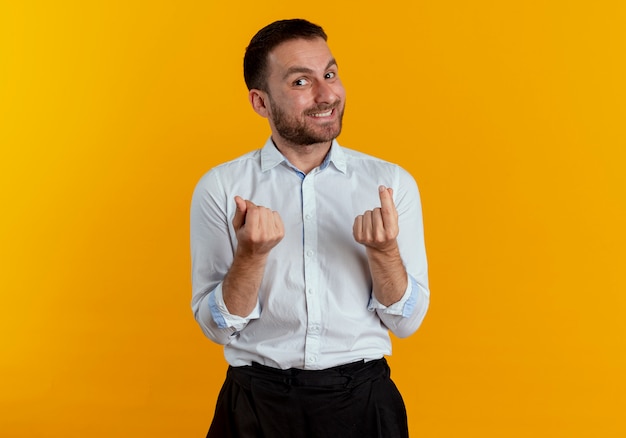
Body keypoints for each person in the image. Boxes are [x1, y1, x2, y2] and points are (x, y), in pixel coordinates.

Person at [191, 18, 429, 438]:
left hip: (365, 405)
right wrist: (251, 255)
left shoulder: (390, 184)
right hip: (255, 406)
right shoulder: (222, 188)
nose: (327, 95)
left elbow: (407, 322)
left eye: (330, 74)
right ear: (260, 102)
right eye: (301, 81)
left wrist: (385, 252)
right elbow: (216, 327)